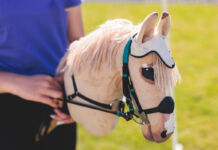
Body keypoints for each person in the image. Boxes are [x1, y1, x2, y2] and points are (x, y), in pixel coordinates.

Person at [0, 0, 84, 150]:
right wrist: (15, 82)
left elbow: (77, 43)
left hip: (58, 101)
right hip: (5, 105)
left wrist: (78, 95)